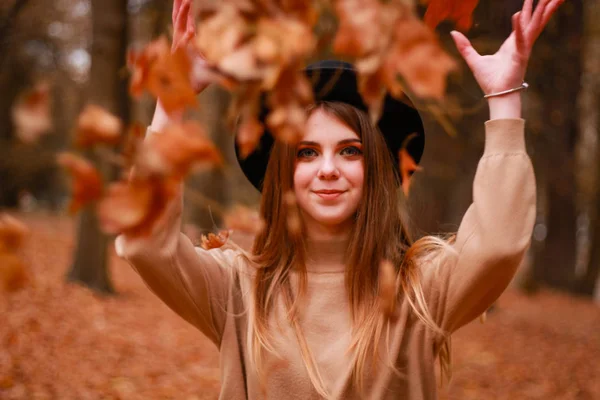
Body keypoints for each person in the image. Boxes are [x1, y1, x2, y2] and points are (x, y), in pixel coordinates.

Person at [116, 0, 562, 398]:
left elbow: (499, 244)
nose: (327, 168)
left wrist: (504, 103)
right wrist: (170, 106)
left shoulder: (421, 289)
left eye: (350, 151)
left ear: (376, 172)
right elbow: (143, 242)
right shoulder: (237, 289)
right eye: (307, 152)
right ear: (284, 174)